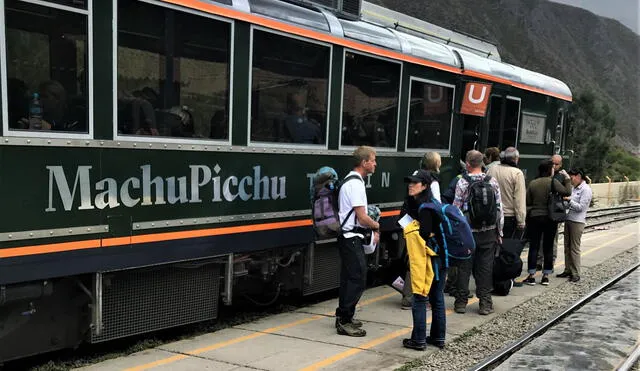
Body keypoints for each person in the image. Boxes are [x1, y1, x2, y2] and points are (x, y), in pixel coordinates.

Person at [335, 146, 380, 337]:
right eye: (373, 160)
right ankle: (344, 321)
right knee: (357, 278)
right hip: (350, 237)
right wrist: (376, 226)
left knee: (349, 278)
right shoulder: (356, 184)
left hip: (349, 237)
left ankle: (345, 316)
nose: (375, 164)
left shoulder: (353, 180)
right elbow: (361, 217)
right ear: (364, 163)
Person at [453, 150, 503, 315]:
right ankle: (485, 303)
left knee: (464, 267)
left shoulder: (463, 182)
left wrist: (456, 232)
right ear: (482, 163)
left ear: (467, 164)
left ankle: (461, 303)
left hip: (468, 233)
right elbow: (499, 209)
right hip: (488, 232)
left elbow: (456, 209)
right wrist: (499, 232)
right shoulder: (492, 181)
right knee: (485, 268)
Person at [401, 169, 446, 350]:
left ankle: (418, 340)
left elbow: (425, 233)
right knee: (437, 297)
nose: (411, 185)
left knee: (420, 297)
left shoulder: (424, 207)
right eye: (410, 182)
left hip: (429, 259)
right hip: (441, 256)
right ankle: (438, 338)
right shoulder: (432, 203)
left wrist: (413, 226)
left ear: (425, 186)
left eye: (415, 182)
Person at [400, 152, 443, 309]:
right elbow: (437, 206)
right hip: (423, 226)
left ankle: (408, 295)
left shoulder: (414, 176)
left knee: (412, 259)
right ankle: (419, 296)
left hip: (409, 223)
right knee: (423, 262)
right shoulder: (432, 181)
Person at [524, 160, 571, 286]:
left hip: (535, 217)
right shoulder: (553, 182)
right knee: (548, 246)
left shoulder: (533, 183)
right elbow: (567, 192)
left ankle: (532, 275)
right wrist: (567, 179)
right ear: (549, 170)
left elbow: (527, 201)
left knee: (534, 246)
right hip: (550, 218)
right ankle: (545, 276)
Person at [557, 168, 592, 282]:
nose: (571, 181)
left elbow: (581, 207)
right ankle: (568, 270)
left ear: (578, 176)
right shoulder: (573, 188)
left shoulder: (586, 189)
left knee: (574, 248)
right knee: (567, 247)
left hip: (578, 221)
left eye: (572, 178)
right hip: (569, 219)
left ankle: (576, 273)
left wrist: (569, 201)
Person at [537, 154, 572, 269]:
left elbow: (567, 192)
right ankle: (539, 260)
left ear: (560, 165)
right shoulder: (543, 175)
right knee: (540, 238)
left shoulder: (561, 177)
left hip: (554, 212)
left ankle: (551, 260)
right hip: (543, 211)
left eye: (557, 164)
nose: (554, 166)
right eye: (553, 163)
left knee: (553, 239)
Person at [486, 147, 526, 238]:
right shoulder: (517, 173)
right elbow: (519, 199)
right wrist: (521, 220)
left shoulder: (491, 170)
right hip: (509, 216)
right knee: (507, 245)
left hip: (492, 213)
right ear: (516, 159)